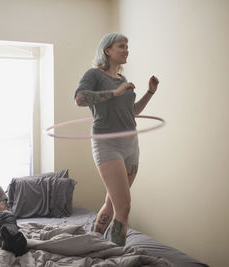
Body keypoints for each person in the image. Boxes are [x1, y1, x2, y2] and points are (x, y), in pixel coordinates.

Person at [74, 33, 159, 246]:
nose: (126, 50)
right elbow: (80, 99)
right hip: (107, 143)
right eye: (121, 46)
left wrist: (149, 92)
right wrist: (115, 92)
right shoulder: (94, 74)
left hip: (131, 144)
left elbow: (132, 112)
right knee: (125, 207)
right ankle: (115, 255)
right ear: (107, 51)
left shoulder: (122, 80)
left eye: (127, 46)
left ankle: (92, 242)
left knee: (112, 203)